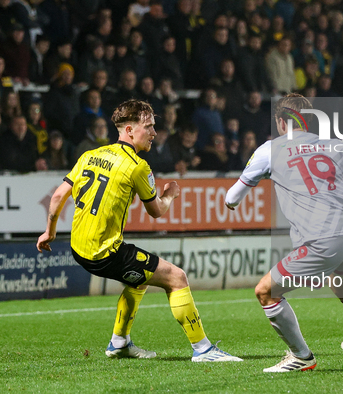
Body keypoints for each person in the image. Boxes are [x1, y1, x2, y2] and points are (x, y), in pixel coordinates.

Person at [36, 99, 241, 363]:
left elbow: (58, 196)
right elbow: (156, 211)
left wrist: (49, 232)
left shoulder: (90, 155)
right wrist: (170, 195)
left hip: (79, 248)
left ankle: (119, 343)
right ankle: (203, 350)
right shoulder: (137, 166)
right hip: (105, 252)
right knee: (176, 278)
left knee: (140, 278)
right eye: (149, 126)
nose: (154, 133)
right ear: (130, 130)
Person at [225, 94, 343, 372]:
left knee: (266, 291)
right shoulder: (333, 143)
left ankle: (301, 356)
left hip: (322, 239)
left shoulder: (270, 150)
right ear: (310, 121)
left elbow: (231, 199)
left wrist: (264, 174)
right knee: (342, 286)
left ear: (280, 122)